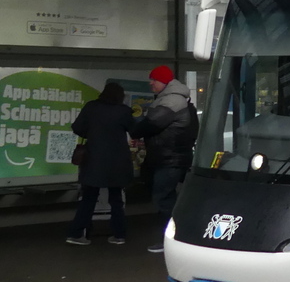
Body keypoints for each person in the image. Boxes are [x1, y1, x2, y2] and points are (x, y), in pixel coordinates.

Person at [131, 65, 198, 253]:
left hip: (169, 159)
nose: (150, 83)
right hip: (172, 157)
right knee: (170, 198)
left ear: (165, 82)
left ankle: (171, 240)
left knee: (163, 199)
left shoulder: (171, 102)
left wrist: (132, 125)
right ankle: (181, 236)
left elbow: (150, 124)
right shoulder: (173, 99)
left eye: (154, 80)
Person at [66, 82, 135, 246]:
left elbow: (77, 128)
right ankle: (119, 235)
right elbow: (135, 130)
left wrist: (92, 132)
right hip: (117, 162)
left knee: (88, 198)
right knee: (116, 199)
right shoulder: (123, 111)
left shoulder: (91, 107)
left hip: (93, 160)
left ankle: (76, 234)